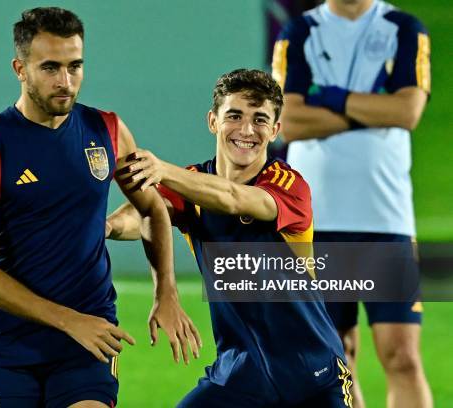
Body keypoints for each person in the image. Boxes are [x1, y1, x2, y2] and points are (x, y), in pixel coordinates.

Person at [0, 7, 200, 408]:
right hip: (8, 347)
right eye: (50, 67)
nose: (65, 82)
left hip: (89, 341)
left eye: (75, 66)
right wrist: (70, 322)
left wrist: (166, 292)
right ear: (20, 68)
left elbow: (153, 209)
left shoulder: (109, 131)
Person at [108, 69, 353, 407]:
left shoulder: (289, 185)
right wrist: (105, 228)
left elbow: (233, 198)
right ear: (213, 121)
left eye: (260, 119)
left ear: (276, 130)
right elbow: (145, 213)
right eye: (234, 116)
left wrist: (162, 170)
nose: (247, 130)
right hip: (239, 375)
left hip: (312, 375)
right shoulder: (192, 183)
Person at [271, 0, 432, 407]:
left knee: (403, 356)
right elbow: (287, 122)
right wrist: (374, 110)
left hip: (386, 218)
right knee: (334, 358)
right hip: (315, 221)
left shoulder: (403, 28)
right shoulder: (299, 31)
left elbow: (408, 110)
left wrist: (331, 99)